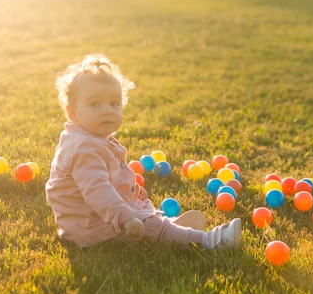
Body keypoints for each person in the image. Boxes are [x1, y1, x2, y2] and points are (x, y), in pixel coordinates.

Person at [45, 53, 241, 249]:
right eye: (95, 104)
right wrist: (126, 217)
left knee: (147, 219)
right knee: (150, 225)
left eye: (114, 103)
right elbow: (97, 191)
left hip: (98, 214)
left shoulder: (91, 137)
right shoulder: (83, 148)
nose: (107, 110)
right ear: (73, 113)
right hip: (90, 226)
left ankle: (172, 228)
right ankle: (208, 241)